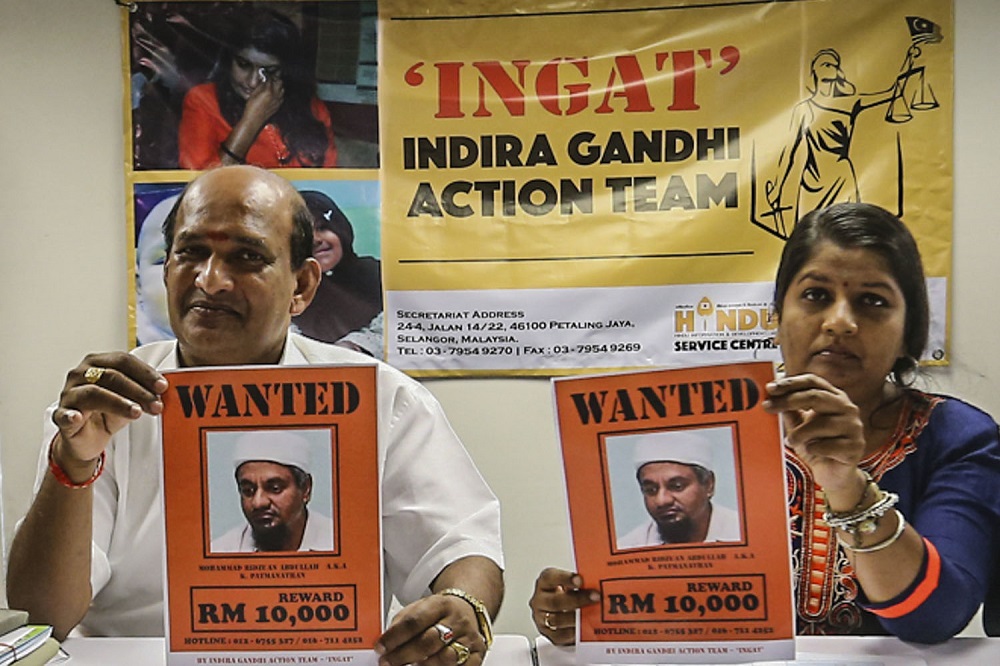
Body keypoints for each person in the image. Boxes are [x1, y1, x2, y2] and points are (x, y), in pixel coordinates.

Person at [7, 166, 502, 666]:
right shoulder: (107, 405)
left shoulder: (379, 398)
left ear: (302, 285)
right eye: (191, 252)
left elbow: (459, 546)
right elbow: (43, 616)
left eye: (246, 257)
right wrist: (73, 461)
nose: (210, 280)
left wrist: (462, 606)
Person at [530, 202, 1000, 644]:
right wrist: (590, 609)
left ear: (909, 332)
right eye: (816, 296)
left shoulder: (956, 437)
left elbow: (937, 617)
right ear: (777, 317)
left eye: (872, 302)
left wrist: (848, 488)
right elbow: (669, 601)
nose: (840, 322)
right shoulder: (709, 423)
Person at [177, 8, 337, 169]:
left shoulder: (312, 108)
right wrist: (251, 121)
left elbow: (328, 179)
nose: (253, 82)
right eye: (243, 65)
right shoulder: (203, 101)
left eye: (269, 71)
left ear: (286, 72)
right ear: (229, 61)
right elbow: (201, 184)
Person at [211, 430, 334, 553]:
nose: (258, 502)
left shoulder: (338, 543)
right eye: (248, 491)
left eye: (275, 489)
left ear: (306, 489)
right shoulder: (220, 551)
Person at [291, 190, 383, 352]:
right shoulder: (290, 289)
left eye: (323, 228)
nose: (316, 240)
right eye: (304, 236)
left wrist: (355, 346)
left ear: (341, 229)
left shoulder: (376, 275)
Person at [618, 431, 740, 549]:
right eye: (651, 490)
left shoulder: (744, 532)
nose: (662, 501)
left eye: (677, 486)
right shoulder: (628, 547)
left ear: (709, 484)